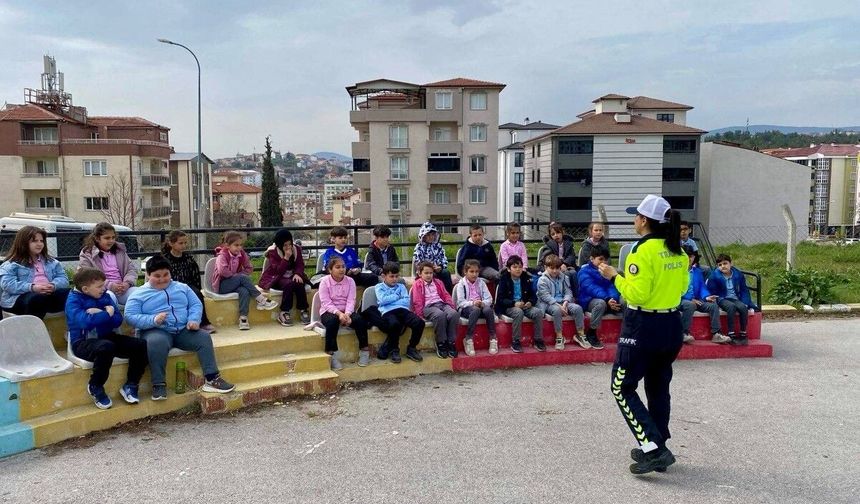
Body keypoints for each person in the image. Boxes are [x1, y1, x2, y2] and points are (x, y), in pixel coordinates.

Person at [596, 194, 689, 474]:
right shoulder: (679, 251)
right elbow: (683, 288)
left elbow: (637, 293)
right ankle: (659, 442)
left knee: (621, 387)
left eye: (636, 215)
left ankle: (653, 447)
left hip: (643, 326)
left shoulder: (641, 251)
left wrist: (614, 276)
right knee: (658, 387)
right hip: (671, 324)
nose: (634, 220)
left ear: (645, 220)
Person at [125, 256, 235, 401]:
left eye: (166, 275)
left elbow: (195, 305)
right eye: (157, 276)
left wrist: (193, 320)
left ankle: (212, 378)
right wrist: (152, 320)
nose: (162, 279)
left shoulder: (182, 287)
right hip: (156, 330)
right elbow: (130, 315)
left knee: (203, 337)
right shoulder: (139, 293)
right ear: (148, 275)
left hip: (183, 330)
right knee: (156, 342)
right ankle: (158, 384)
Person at [66, 267, 148, 409]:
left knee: (140, 344)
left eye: (103, 285)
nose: (104, 289)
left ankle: (131, 384)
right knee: (106, 347)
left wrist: (100, 313)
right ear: (85, 289)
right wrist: (106, 314)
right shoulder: (73, 300)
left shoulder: (104, 296)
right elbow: (85, 322)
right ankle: (95, 386)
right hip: (83, 342)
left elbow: (118, 319)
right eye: (99, 286)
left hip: (107, 337)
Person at [212, 230, 278, 330]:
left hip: (235, 284)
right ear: (227, 245)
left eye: (240, 245)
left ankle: (243, 318)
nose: (239, 248)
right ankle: (261, 300)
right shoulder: (222, 255)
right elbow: (223, 271)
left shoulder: (241, 254)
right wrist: (237, 276)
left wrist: (238, 276)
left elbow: (249, 268)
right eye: (236, 245)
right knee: (242, 278)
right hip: (222, 286)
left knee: (244, 291)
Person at [0, 226, 70, 319]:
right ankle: (32, 331)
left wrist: (53, 285)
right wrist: (33, 287)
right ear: (23, 242)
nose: (39, 244)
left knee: (72, 294)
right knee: (37, 299)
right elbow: (8, 285)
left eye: (41, 241)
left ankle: (75, 329)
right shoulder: (11, 264)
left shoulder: (52, 262)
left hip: (47, 295)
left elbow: (63, 279)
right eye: (34, 241)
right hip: (19, 299)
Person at [364, 262, 425, 363]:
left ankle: (412, 348)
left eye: (396, 276)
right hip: (388, 311)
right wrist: (397, 296)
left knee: (419, 323)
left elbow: (406, 301)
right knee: (394, 324)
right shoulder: (379, 287)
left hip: (403, 310)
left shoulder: (401, 286)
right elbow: (382, 300)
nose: (394, 279)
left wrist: (392, 299)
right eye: (391, 276)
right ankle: (394, 350)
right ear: (384, 276)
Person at [317, 256, 370, 370]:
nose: (341, 269)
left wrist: (347, 314)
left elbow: (351, 300)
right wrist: (339, 314)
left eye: (343, 266)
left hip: (347, 311)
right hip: (329, 311)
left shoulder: (350, 281)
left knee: (360, 321)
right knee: (332, 322)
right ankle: (332, 355)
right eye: (337, 267)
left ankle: (364, 351)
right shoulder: (324, 282)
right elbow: (326, 302)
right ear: (330, 270)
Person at [160, 230, 215, 333]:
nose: (184, 246)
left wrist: (195, 289)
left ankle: (203, 322)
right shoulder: (165, 260)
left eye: (185, 243)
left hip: (188, 287)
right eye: (180, 243)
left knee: (197, 294)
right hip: (171, 287)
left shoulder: (189, 259)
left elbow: (196, 277)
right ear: (171, 243)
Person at [259, 228, 310, 327]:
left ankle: (303, 309)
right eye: (285, 245)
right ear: (279, 245)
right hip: (277, 277)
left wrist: (298, 274)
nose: (288, 247)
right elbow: (278, 271)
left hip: (292, 275)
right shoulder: (273, 252)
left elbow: (300, 264)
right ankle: (284, 312)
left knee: (299, 283)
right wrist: (286, 258)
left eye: (289, 244)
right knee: (289, 284)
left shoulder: (296, 249)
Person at [79, 222, 138, 305]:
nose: (111, 241)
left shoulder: (120, 251)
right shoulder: (87, 253)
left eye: (113, 237)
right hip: (102, 289)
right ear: (97, 238)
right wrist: (110, 285)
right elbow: (88, 275)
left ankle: (137, 317)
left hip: (122, 289)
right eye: (107, 238)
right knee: (109, 298)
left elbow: (131, 269)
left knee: (140, 294)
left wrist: (127, 283)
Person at [680, 246, 730, 344]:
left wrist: (706, 296)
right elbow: (675, 290)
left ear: (694, 258)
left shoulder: (697, 272)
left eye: (691, 256)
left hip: (697, 300)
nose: (688, 259)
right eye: (685, 256)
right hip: (681, 300)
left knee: (713, 305)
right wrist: (690, 299)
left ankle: (716, 334)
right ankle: (683, 334)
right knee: (690, 305)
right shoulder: (676, 272)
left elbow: (702, 287)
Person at [495, 255, 545, 353]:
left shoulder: (526, 278)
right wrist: (514, 303)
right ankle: (516, 341)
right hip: (509, 306)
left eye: (520, 267)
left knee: (538, 312)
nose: (518, 269)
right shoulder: (504, 280)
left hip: (525, 305)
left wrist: (530, 302)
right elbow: (500, 299)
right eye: (514, 267)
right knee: (518, 312)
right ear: (509, 269)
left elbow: (533, 295)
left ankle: (538, 339)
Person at [707, 253, 757, 346]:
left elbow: (744, 289)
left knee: (742, 307)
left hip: (734, 298)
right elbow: (712, 291)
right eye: (720, 265)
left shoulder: (738, 274)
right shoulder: (714, 276)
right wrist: (715, 299)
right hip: (722, 298)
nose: (723, 266)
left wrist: (745, 302)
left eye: (725, 263)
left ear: (731, 263)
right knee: (731, 307)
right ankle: (731, 333)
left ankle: (743, 333)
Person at [537, 254, 585, 351]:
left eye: (557, 268)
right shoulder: (542, 279)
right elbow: (545, 296)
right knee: (557, 310)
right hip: (549, 304)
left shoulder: (564, 277)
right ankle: (559, 336)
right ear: (546, 267)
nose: (555, 271)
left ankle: (581, 334)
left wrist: (565, 302)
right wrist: (559, 306)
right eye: (552, 268)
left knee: (578, 308)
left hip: (563, 302)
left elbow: (568, 291)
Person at [411, 261, 459, 359]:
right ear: (420, 274)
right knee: (440, 315)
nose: (429, 275)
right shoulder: (417, 284)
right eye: (426, 273)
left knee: (454, 314)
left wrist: (451, 306)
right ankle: (441, 342)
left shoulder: (438, 282)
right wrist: (420, 315)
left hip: (441, 304)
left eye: (431, 273)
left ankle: (451, 342)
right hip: (428, 307)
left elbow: (446, 295)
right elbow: (417, 300)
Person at [577, 248, 622, 350]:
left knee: (625, 301)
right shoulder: (584, 271)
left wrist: (612, 299)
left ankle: (627, 333)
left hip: (607, 299)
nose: (604, 262)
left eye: (606, 259)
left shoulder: (608, 271)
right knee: (601, 303)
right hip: (589, 300)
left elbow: (612, 286)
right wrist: (607, 299)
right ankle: (591, 333)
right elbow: (591, 288)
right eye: (600, 259)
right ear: (592, 259)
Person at [455, 259, 496, 357]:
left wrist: (482, 303)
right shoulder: (461, 284)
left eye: (477, 272)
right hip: (467, 309)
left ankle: (493, 337)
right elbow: (460, 302)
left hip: (480, 306)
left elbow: (489, 299)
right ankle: (468, 338)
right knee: (475, 310)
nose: (474, 274)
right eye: (471, 271)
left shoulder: (481, 283)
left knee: (488, 310)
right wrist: (473, 303)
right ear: (465, 272)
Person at [412, 222, 453, 292]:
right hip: (424, 270)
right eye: (428, 235)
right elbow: (417, 262)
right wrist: (429, 268)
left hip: (437, 270)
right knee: (429, 275)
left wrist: (440, 267)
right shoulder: (419, 247)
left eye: (433, 235)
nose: (431, 237)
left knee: (446, 273)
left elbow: (443, 259)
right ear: (423, 236)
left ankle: (448, 296)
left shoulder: (438, 246)